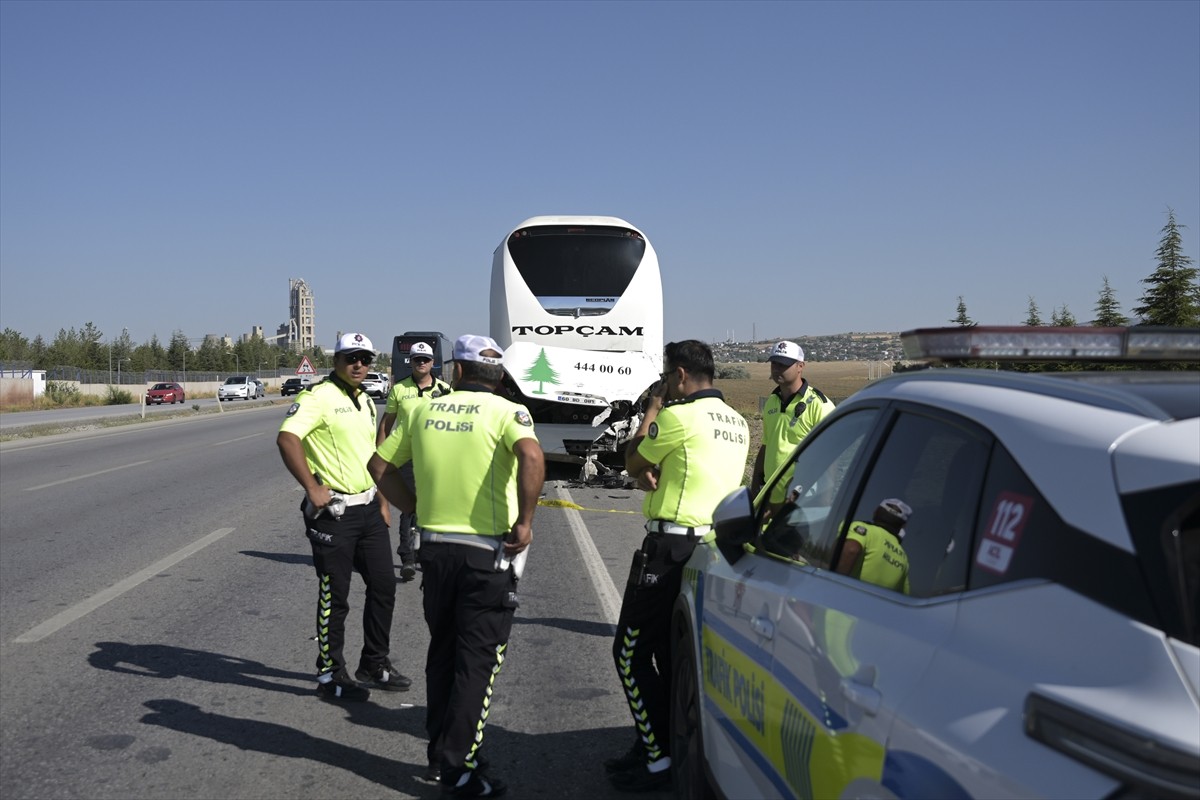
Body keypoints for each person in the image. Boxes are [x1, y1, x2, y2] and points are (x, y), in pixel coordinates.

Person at [369, 334, 544, 798]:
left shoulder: (422, 411)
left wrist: (413, 507)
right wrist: (525, 522)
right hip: (486, 555)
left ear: (457, 371)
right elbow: (531, 456)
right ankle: (458, 768)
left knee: (443, 654)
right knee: (477, 663)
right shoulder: (509, 412)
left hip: (435, 550)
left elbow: (379, 466)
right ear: (499, 375)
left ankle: (439, 754)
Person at [608, 340, 749, 792]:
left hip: (668, 547)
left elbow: (633, 459)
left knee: (629, 653)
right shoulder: (738, 423)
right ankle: (658, 742)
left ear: (681, 375)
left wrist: (652, 409)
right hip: (708, 548)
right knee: (670, 655)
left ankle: (656, 759)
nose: (667, 384)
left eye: (668, 376)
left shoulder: (677, 416)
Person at [276, 332, 412, 702]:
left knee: (383, 586)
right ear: (336, 361)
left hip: (368, 509)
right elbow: (287, 438)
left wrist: (381, 500)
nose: (359, 365)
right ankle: (329, 674)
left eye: (365, 359)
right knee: (335, 597)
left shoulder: (366, 400)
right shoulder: (317, 397)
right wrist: (311, 486)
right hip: (333, 513)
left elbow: (369, 455)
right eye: (351, 358)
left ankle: (374, 663)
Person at [377, 340, 453, 579]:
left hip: (437, 458)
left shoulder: (445, 390)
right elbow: (386, 424)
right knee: (410, 507)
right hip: (407, 457)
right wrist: (380, 453)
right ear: (410, 362)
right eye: (417, 359)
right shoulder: (399, 389)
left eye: (425, 359)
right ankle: (408, 557)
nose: (421, 363)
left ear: (432, 362)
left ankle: (430, 553)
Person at [751, 341, 837, 509]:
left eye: (784, 364)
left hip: (803, 499)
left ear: (800, 366)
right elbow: (767, 445)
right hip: (770, 497)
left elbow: (830, 457)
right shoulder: (771, 402)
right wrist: (755, 488)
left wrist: (823, 502)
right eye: (774, 363)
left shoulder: (819, 405)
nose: (777, 369)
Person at [835, 498, 912, 594]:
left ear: (876, 512)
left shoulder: (863, 529)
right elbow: (905, 594)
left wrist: (834, 584)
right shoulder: (904, 558)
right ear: (902, 526)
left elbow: (852, 550)